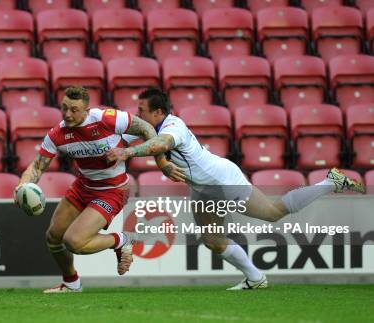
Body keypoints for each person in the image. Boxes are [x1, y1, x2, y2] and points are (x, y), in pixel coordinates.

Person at [107, 88, 366, 290]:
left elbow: (160, 145)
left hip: (222, 180)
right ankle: (255, 278)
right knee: (213, 241)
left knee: (273, 212)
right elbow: (128, 137)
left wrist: (128, 152)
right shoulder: (150, 126)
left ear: (158, 112)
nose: (137, 115)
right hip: (202, 187)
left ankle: (331, 181)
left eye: (141, 110)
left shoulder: (174, 127)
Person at [14, 86, 179, 293]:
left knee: (73, 242)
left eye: (74, 110)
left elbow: (146, 128)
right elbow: (38, 166)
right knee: (53, 237)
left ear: (86, 110)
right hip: (83, 186)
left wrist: (159, 161)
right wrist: (23, 184)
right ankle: (72, 284)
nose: (67, 114)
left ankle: (122, 240)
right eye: (64, 108)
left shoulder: (107, 119)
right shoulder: (57, 134)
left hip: (112, 191)